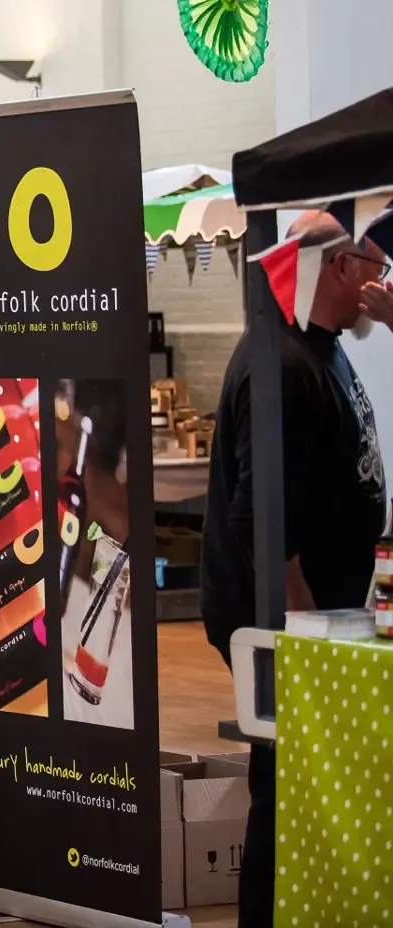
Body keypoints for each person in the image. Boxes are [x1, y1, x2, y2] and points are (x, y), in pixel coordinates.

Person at [201, 212, 387, 928]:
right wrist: (298, 631)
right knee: (282, 783)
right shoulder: (280, 363)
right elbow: (261, 520)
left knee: (306, 781)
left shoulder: (321, 346)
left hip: (324, 616)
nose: (381, 283)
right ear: (338, 268)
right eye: (375, 268)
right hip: (286, 622)